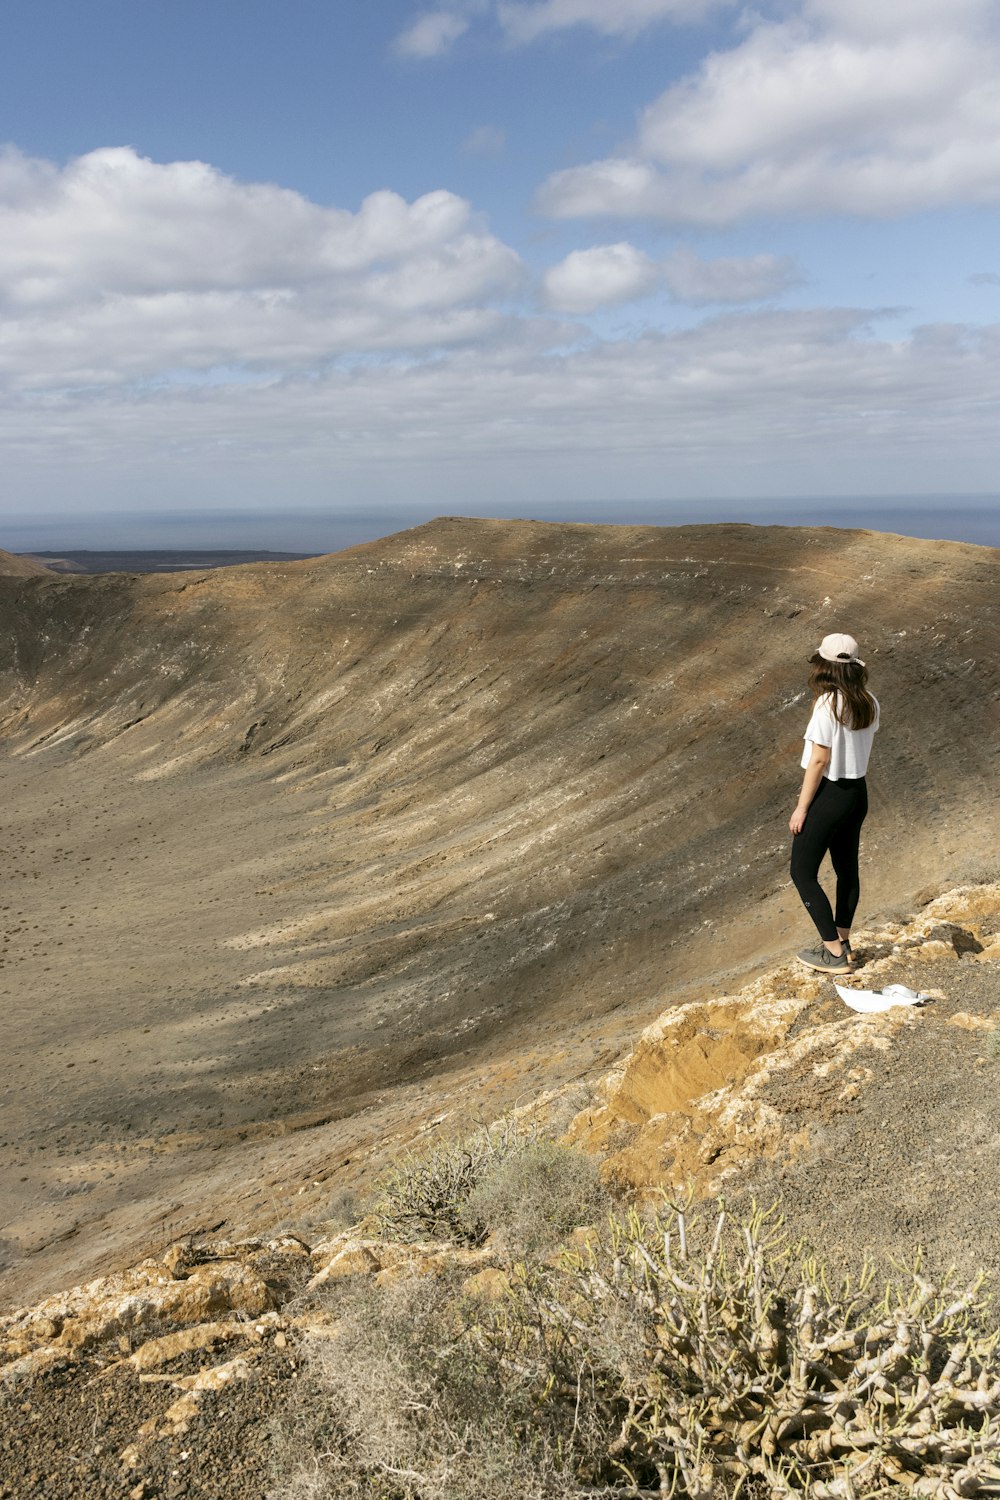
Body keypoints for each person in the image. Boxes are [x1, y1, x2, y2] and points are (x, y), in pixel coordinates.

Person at [789, 633, 879, 972]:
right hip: (858, 794)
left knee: (802, 872)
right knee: (846, 870)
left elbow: (819, 760)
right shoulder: (869, 701)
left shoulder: (828, 704)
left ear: (824, 666)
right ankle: (844, 941)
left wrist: (802, 807)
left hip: (831, 795)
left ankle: (834, 953)